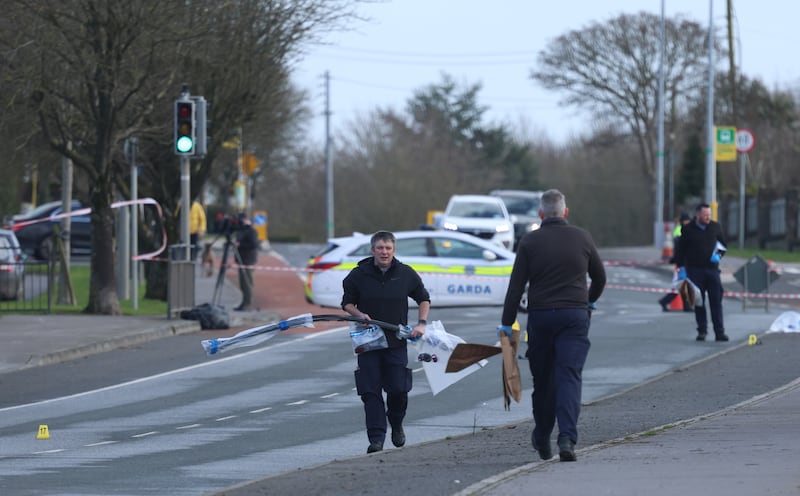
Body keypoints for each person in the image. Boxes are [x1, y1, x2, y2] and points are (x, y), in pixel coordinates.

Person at [498, 189, 606, 462]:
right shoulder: (583, 237)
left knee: (544, 380)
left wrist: (506, 323)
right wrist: (589, 302)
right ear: (565, 212)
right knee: (570, 377)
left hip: (542, 318)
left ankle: (542, 435)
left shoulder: (530, 242)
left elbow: (516, 287)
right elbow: (600, 278)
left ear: (540, 214)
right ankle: (567, 438)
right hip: (574, 316)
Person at [341, 230, 430, 454]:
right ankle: (376, 439)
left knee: (398, 390)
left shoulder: (405, 273)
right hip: (368, 343)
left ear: (394, 250)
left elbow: (423, 298)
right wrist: (358, 314)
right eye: (380, 248)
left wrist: (421, 323)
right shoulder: (358, 275)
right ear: (372, 250)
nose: (384, 252)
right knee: (370, 392)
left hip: (396, 342)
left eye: (388, 248)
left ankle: (397, 423)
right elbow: (347, 303)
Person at [673, 203, 728, 342]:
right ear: (697, 215)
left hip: (712, 270)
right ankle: (702, 331)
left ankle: (719, 332)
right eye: (705, 215)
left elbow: (723, 245)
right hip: (694, 270)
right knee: (699, 301)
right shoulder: (688, 229)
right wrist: (681, 268)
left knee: (716, 300)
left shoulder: (715, 227)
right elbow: (681, 250)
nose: (708, 217)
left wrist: (718, 256)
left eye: (709, 215)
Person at [660, 212, 693, 311]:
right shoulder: (683, 232)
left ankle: (686, 306)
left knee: (682, 286)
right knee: (681, 286)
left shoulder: (684, 230)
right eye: (686, 220)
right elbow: (680, 250)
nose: (687, 222)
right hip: (683, 264)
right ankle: (665, 301)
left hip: (684, 263)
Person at [234, 212, 259, 311]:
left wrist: (240, 245)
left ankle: (248, 303)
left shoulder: (251, 230)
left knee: (247, 282)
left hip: (248, 260)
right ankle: (244, 302)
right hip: (242, 260)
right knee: (242, 283)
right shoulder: (242, 230)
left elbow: (254, 244)